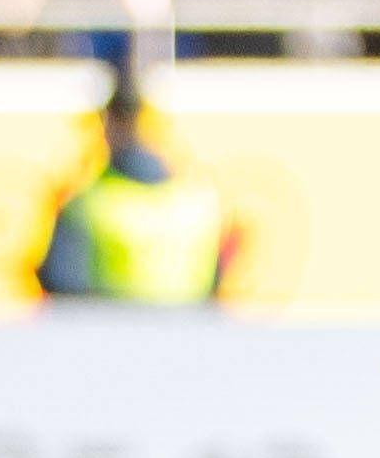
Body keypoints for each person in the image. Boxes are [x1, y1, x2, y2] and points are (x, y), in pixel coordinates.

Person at [34, 75, 241, 303]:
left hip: (106, 324)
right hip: (188, 324)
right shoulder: (201, 201)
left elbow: (60, 287)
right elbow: (217, 285)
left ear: (110, 126)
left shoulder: (85, 204)